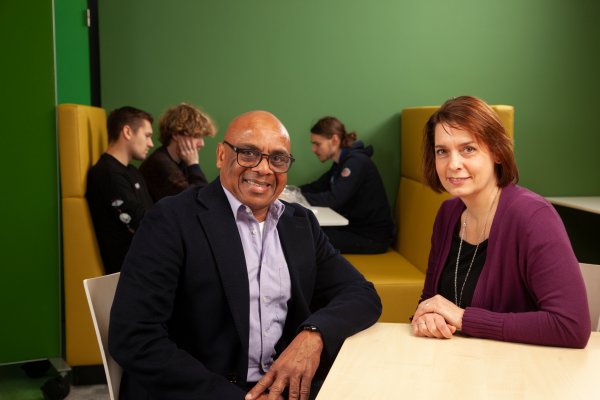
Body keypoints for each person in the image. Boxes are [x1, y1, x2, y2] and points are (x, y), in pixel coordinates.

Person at [109, 110, 382, 400]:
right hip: (205, 391)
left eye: (277, 158)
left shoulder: (300, 224)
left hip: (283, 388)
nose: (264, 168)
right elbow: (134, 336)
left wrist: (314, 335)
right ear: (220, 156)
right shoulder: (171, 219)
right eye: (248, 153)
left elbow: (362, 294)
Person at [411, 96, 591, 348]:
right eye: (442, 151)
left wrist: (463, 318)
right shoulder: (447, 214)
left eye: (468, 149)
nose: (453, 164)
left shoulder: (533, 217)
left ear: (496, 151)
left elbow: (571, 326)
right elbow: (431, 300)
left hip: (523, 367)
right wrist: (428, 317)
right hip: (460, 361)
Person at [299, 116, 394, 254]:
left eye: (317, 144)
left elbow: (334, 199)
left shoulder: (356, 163)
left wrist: (298, 199)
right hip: (355, 230)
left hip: (372, 238)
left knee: (307, 235)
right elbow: (316, 187)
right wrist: (288, 191)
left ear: (334, 140)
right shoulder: (340, 164)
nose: (313, 149)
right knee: (308, 230)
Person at [86, 106, 154, 274]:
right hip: (129, 272)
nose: (151, 143)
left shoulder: (132, 171)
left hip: (147, 263)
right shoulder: (106, 174)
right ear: (128, 132)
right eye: (147, 136)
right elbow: (142, 223)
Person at [140, 102, 217, 202]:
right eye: (196, 136)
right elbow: (200, 201)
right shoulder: (159, 163)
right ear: (176, 135)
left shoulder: (180, 161)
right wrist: (193, 164)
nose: (202, 144)